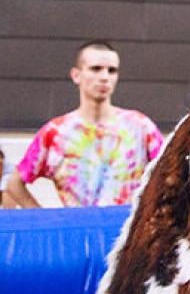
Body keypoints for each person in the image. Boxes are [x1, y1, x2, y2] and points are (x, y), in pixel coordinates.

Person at [6, 41, 165, 209]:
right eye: (95, 69)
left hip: (127, 230)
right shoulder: (56, 132)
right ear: (76, 75)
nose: (105, 77)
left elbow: (170, 176)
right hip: (78, 231)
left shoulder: (141, 127)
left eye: (112, 71)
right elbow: (14, 184)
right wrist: (47, 221)